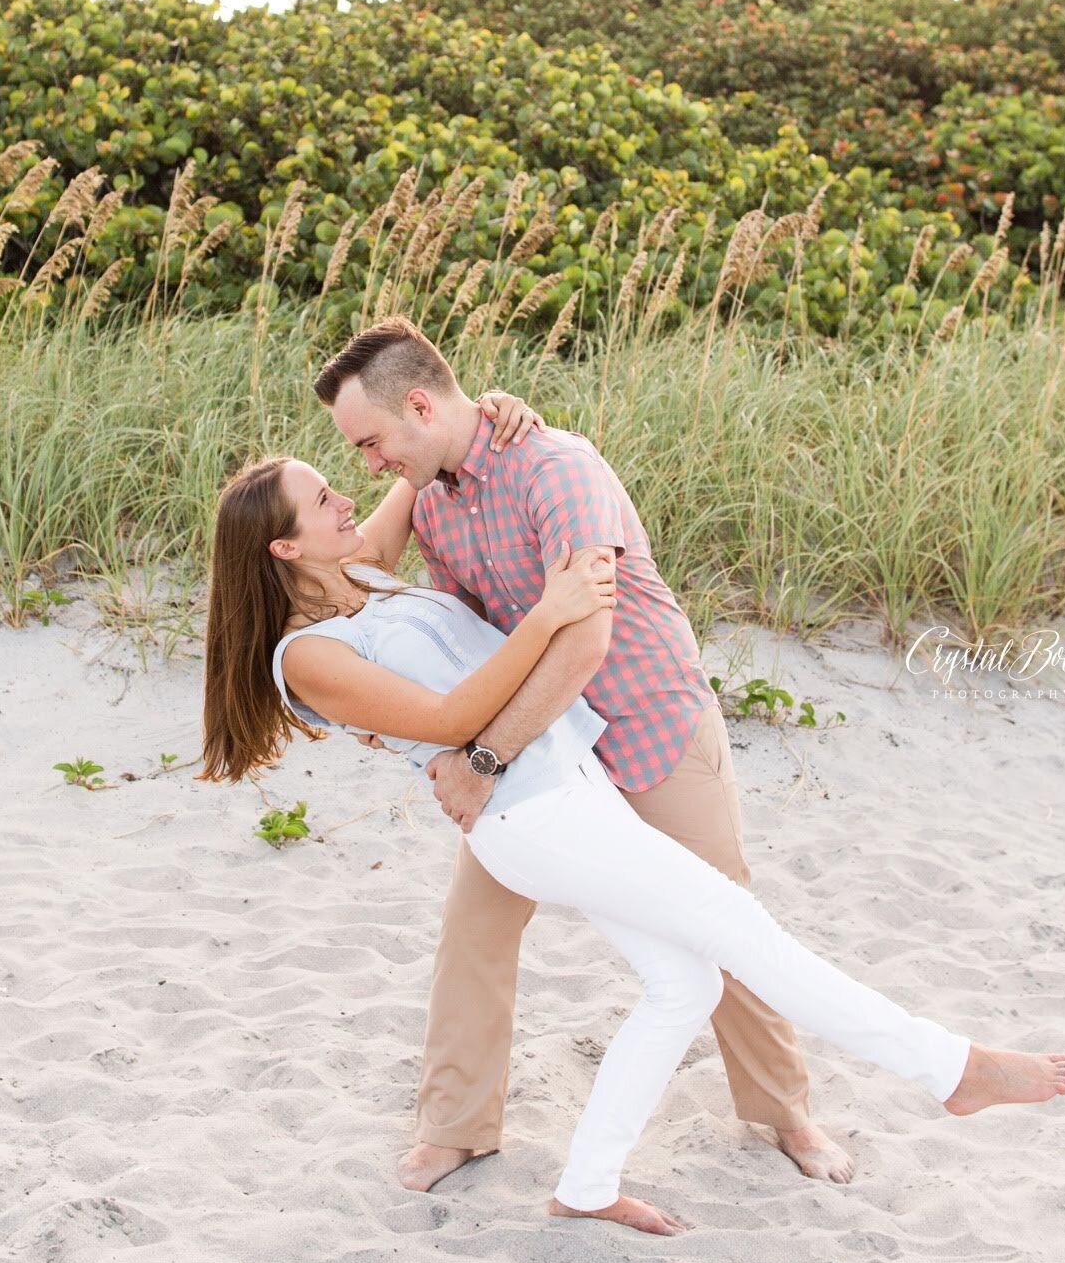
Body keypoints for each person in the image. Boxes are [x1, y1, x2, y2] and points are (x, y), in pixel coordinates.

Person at [201, 446, 1065, 1237]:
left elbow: (417, 459)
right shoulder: (307, 657)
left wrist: (499, 416)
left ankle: (587, 1185)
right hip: (530, 819)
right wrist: (548, 615)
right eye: (321, 500)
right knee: (746, 936)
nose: (344, 499)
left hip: (568, 786)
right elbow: (451, 716)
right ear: (285, 548)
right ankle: (953, 1068)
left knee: (685, 981)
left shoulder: (366, 576)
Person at [313, 318, 857, 1193]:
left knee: (722, 917)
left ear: (419, 405)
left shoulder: (554, 467)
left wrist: (481, 760)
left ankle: (785, 1112)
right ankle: (455, 1127)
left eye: (372, 442)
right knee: (476, 926)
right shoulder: (430, 485)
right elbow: (366, 568)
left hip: (643, 724)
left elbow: (586, 640)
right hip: (537, 758)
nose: (367, 464)